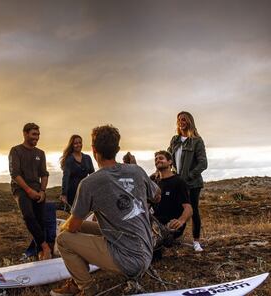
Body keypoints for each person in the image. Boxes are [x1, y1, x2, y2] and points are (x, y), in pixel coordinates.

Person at [51, 125, 159, 296]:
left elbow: (72, 227)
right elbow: (157, 195)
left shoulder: (90, 183)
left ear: (93, 150)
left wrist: (64, 228)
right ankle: (76, 279)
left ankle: (87, 289)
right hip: (146, 251)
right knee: (83, 227)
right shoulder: (136, 171)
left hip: (129, 260)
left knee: (64, 238)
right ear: (117, 149)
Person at [9, 123, 52, 260]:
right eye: (34, 134)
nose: (37, 137)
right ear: (25, 134)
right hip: (20, 188)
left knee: (40, 221)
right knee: (28, 216)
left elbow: (44, 174)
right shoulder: (16, 151)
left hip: (38, 189)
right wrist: (28, 190)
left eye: (38, 135)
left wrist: (43, 191)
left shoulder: (40, 153)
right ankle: (45, 247)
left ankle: (40, 252)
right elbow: (14, 174)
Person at [168, 111, 207, 252]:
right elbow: (168, 158)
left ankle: (196, 242)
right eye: (178, 119)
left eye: (183, 119)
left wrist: (188, 176)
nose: (180, 122)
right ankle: (173, 238)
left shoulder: (197, 141)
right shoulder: (175, 140)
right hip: (177, 182)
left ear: (189, 121)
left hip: (193, 183)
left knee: (193, 211)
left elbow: (203, 163)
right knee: (176, 210)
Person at [152, 151, 192, 244]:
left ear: (170, 162)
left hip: (171, 223)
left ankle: (164, 240)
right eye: (156, 159)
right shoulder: (153, 181)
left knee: (155, 239)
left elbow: (188, 208)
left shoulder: (178, 181)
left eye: (161, 158)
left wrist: (181, 220)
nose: (158, 160)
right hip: (154, 221)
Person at [59, 135, 95, 207]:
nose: (78, 145)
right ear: (72, 145)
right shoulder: (69, 159)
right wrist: (64, 194)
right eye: (75, 143)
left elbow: (92, 175)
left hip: (85, 191)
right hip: (72, 192)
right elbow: (65, 178)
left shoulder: (87, 158)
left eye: (80, 142)